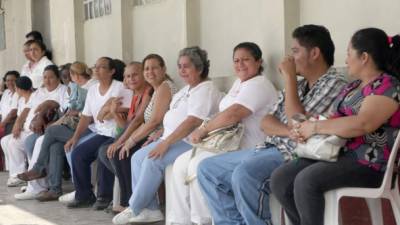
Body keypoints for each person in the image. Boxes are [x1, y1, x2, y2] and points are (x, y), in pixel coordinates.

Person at [197, 25, 348, 225]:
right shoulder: (300, 85)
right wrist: (288, 130)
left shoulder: (334, 83)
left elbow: (296, 119)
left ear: (314, 53)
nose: (290, 59)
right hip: (270, 147)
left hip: (296, 154)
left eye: (295, 51)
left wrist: (289, 78)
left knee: (245, 175)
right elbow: (266, 122)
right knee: (208, 169)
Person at [270, 28, 400, 225]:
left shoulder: (387, 86)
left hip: (369, 163)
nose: (346, 60)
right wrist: (306, 126)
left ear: (364, 57)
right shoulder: (352, 87)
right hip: (337, 154)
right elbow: (331, 119)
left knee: (306, 180)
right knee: (281, 178)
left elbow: (363, 124)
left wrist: (316, 128)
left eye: (349, 53)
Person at [169, 42, 278, 225]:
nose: (240, 64)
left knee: (198, 165)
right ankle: (180, 220)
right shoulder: (239, 82)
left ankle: (203, 219)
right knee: (181, 164)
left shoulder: (258, 84)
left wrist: (203, 129)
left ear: (259, 62)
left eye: (246, 60)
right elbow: (224, 112)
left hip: (248, 146)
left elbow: (234, 113)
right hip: (227, 142)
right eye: (236, 60)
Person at [112, 47, 223, 224]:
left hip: (189, 141)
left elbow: (192, 122)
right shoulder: (186, 89)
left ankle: (134, 207)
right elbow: (171, 116)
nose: (182, 71)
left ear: (200, 68)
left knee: (152, 159)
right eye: (180, 66)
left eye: (187, 66)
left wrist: (166, 143)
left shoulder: (205, 89)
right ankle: (151, 210)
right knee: (137, 158)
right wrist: (161, 132)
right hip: (170, 137)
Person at [17, 61, 95, 201]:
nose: (67, 80)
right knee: (55, 146)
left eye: (67, 76)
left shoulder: (92, 86)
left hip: (89, 130)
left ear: (74, 74)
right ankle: (54, 189)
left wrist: (75, 114)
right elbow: (66, 111)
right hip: (74, 126)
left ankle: (39, 168)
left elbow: (87, 113)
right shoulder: (76, 87)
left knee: (52, 132)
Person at [63, 57, 131, 208]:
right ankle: (84, 195)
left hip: (116, 133)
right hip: (101, 132)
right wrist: (75, 138)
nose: (96, 70)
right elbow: (86, 116)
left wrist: (106, 111)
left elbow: (125, 110)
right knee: (78, 153)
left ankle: (104, 196)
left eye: (101, 67)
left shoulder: (120, 87)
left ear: (112, 71)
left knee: (104, 152)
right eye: (96, 66)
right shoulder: (93, 90)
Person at [97, 61, 153, 212]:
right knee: (104, 151)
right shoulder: (135, 95)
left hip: (147, 136)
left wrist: (121, 141)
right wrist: (114, 112)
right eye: (127, 76)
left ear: (143, 74)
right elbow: (126, 126)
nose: (131, 79)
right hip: (134, 134)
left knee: (118, 153)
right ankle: (128, 194)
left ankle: (128, 200)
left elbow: (138, 121)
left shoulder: (148, 92)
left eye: (135, 75)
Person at [1, 65, 68, 190]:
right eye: (45, 77)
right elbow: (29, 108)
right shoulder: (40, 91)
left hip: (55, 128)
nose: (47, 81)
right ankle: (23, 177)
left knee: (34, 142)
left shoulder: (63, 90)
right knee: (16, 142)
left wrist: (45, 118)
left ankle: (38, 184)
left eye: (51, 77)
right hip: (38, 128)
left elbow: (64, 111)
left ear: (58, 78)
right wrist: (21, 122)